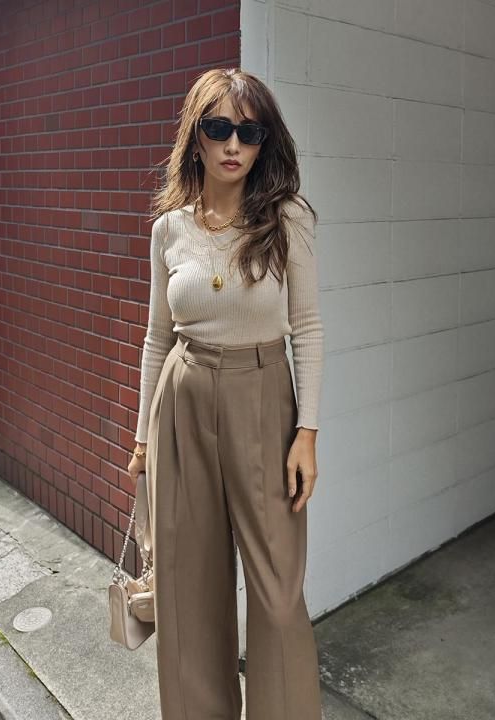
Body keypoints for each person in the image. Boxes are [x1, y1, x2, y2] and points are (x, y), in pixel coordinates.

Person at [127, 67, 325, 720]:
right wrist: (142, 442)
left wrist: (307, 432)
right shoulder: (169, 230)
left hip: (264, 400)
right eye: (219, 128)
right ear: (197, 136)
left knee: (277, 592)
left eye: (249, 131)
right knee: (188, 588)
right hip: (181, 404)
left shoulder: (288, 219)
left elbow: (307, 327)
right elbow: (157, 338)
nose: (234, 144)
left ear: (265, 141)